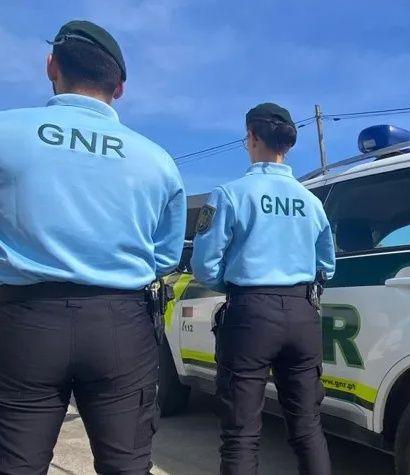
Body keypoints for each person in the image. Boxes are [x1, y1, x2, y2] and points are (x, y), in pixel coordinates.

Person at [0, 20, 186, 474]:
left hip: (24, 320)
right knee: (127, 465)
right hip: (120, 324)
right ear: (119, 87)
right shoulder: (157, 160)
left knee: (16, 464)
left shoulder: (7, 131)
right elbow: (164, 255)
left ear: (51, 66)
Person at [191, 103, 336, 475]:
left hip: (251, 313)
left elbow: (204, 266)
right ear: (286, 145)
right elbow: (327, 266)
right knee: (307, 428)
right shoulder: (311, 202)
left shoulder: (230, 194)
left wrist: (236, 284)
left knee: (241, 434)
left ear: (252, 137)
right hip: (302, 313)